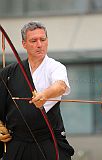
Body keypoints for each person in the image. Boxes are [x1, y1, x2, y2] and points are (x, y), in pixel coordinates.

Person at [0, 21, 74, 160]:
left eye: (43, 39)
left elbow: (60, 86)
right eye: (33, 40)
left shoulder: (55, 67)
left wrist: (44, 95)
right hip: (17, 141)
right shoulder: (9, 73)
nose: (39, 44)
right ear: (24, 44)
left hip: (47, 139)